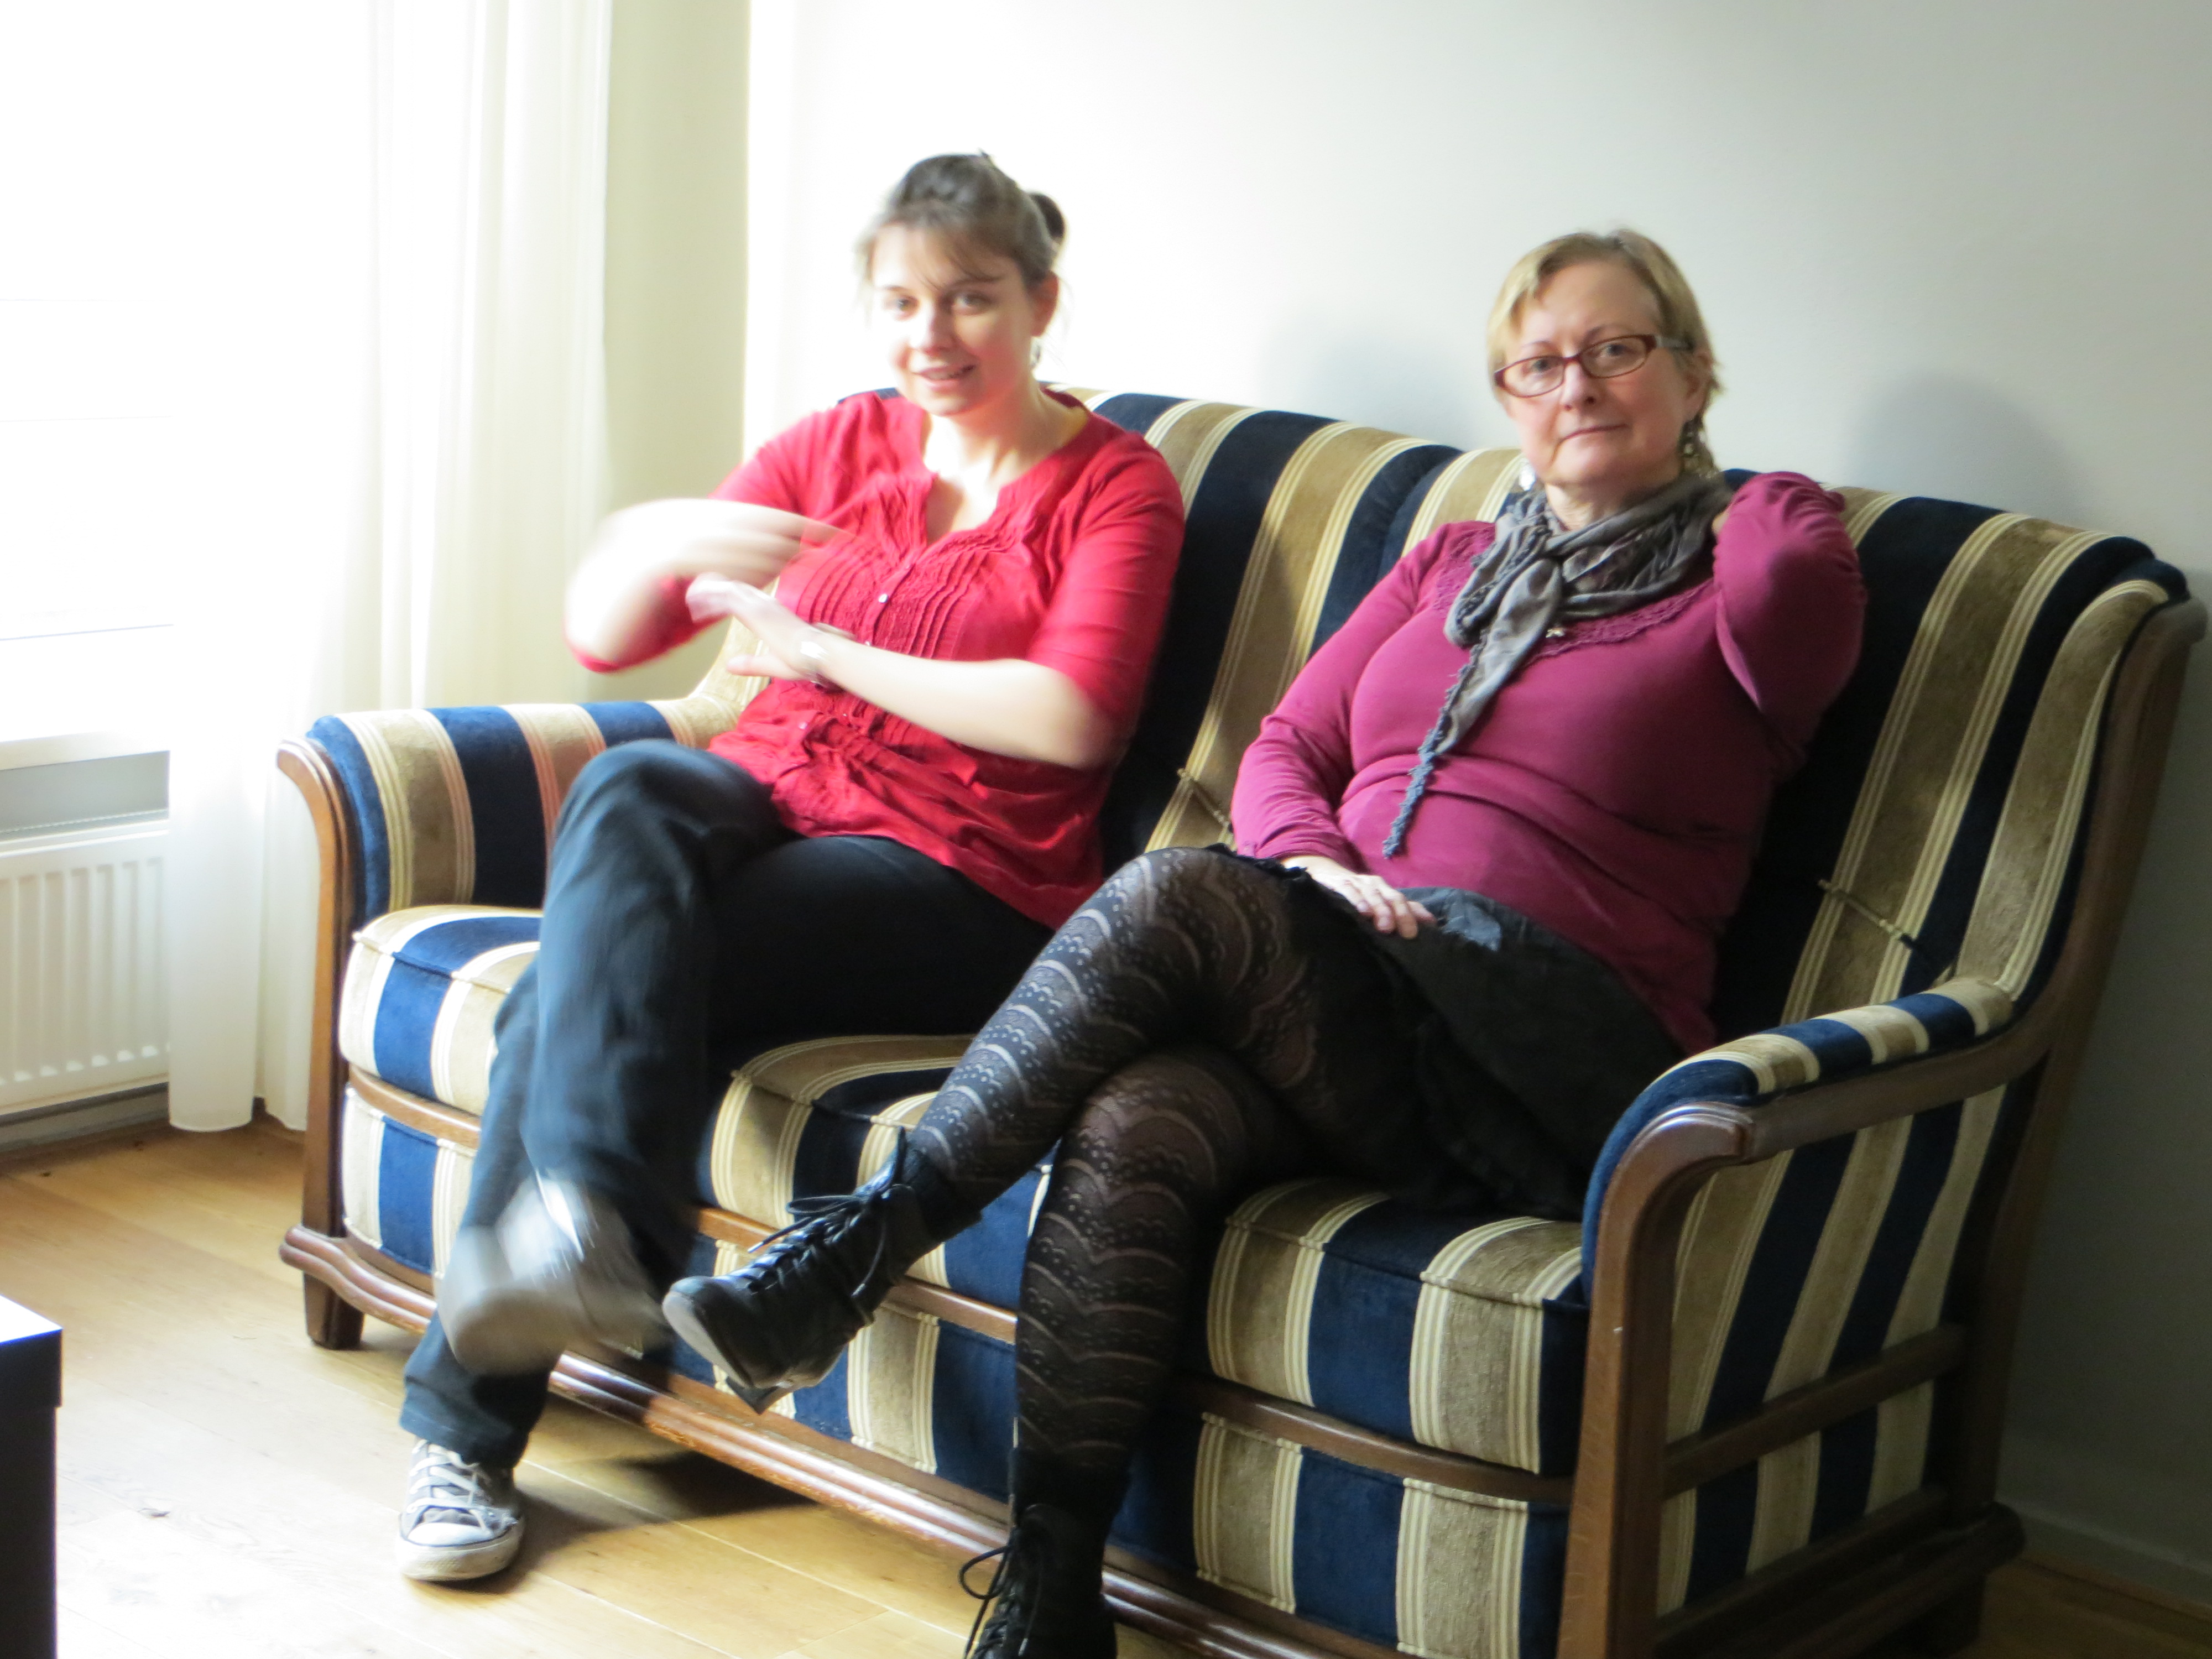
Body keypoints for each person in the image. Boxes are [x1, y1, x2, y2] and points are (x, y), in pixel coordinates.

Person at [662, 228, 1867, 1657]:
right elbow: (1290, 742)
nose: (1578, 388)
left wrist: (1751, 482)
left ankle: (850, 1258)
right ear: (1504, 396)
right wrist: (1318, 871)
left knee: (1181, 895)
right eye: (1540, 365)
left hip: (1557, 1040)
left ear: (1693, 369)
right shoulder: (1454, 560)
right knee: (1140, 1115)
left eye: (1618, 351)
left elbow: (1794, 592)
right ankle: (1050, 1595)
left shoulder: (1746, 572)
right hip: (1361, 997)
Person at [393, 154, 1186, 1584]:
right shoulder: (837, 445)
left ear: (1042, 302)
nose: (932, 335)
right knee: (631, 782)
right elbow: (608, 636)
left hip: (960, 876)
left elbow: (1069, 720)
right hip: (771, 800)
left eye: (971, 299)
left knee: (572, 991)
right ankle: (583, 1232)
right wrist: (647, 538)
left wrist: (820, 648)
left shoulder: (1114, 485)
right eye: (901, 303)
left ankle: (469, 1425)